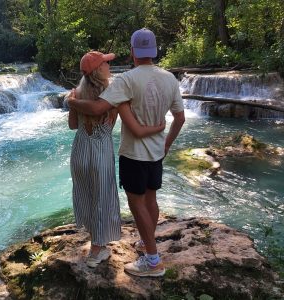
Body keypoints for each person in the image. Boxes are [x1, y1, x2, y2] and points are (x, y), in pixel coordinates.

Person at [68, 28, 185, 277]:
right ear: (154, 51)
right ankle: (146, 244)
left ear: (133, 52)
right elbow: (180, 117)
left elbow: (93, 110)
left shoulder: (125, 81)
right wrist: (166, 141)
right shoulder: (169, 79)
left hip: (119, 153)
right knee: (149, 200)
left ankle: (151, 258)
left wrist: (71, 101)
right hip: (154, 152)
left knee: (131, 202)